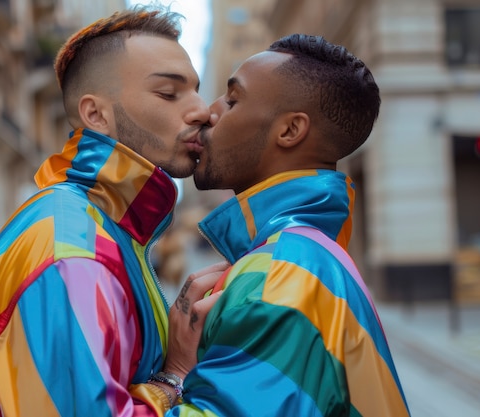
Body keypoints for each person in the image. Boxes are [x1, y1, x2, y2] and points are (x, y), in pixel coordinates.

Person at [0, 6, 226, 416]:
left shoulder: (105, 227)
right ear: (95, 114)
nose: (201, 111)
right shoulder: (73, 251)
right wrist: (175, 375)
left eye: (195, 90)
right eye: (169, 93)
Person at [169, 34, 411, 416]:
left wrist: (176, 373)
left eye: (232, 100)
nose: (207, 112)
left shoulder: (281, 274)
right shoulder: (304, 256)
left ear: (290, 131)